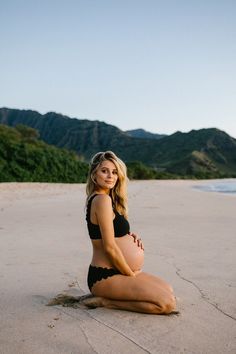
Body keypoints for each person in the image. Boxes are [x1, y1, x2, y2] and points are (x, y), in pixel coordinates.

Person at [84, 151, 177, 315]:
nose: (110, 176)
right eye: (104, 171)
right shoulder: (101, 200)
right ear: (94, 175)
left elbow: (113, 233)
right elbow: (110, 247)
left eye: (114, 172)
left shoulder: (108, 200)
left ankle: (115, 294)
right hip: (106, 275)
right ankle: (106, 301)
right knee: (166, 304)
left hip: (122, 270)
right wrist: (130, 275)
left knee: (168, 290)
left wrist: (129, 235)